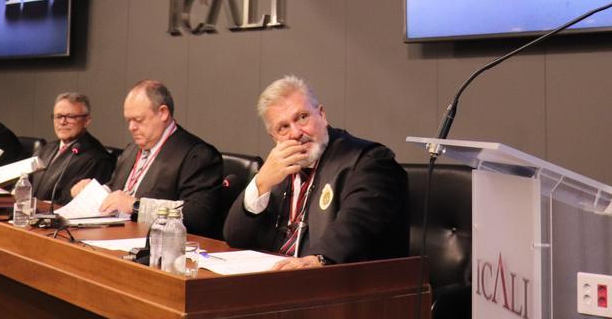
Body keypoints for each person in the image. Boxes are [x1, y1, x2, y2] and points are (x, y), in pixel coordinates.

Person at [223, 75, 409, 270]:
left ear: (322, 115)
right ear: (274, 137)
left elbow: (356, 227)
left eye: (302, 117)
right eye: (283, 127)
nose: (295, 133)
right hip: (276, 282)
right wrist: (261, 183)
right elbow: (235, 237)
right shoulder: (278, 168)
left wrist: (319, 258)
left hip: (342, 287)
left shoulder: (369, 162)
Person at [70, 80, 223, 237]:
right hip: (117, 236)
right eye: (129, 120)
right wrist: (92, 192)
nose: (131, 127)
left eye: (139, 120)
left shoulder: (197, 154)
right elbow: (118, 190)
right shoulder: (131, 150)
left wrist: (136, 206)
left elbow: (198, 215)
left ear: (163, 112)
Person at [30, 92, 115, 204]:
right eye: (58, 116)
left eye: (70, 117)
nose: (62, 122)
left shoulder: (98, 158)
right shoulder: (46, 149)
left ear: (86, 121)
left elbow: (78, 201)